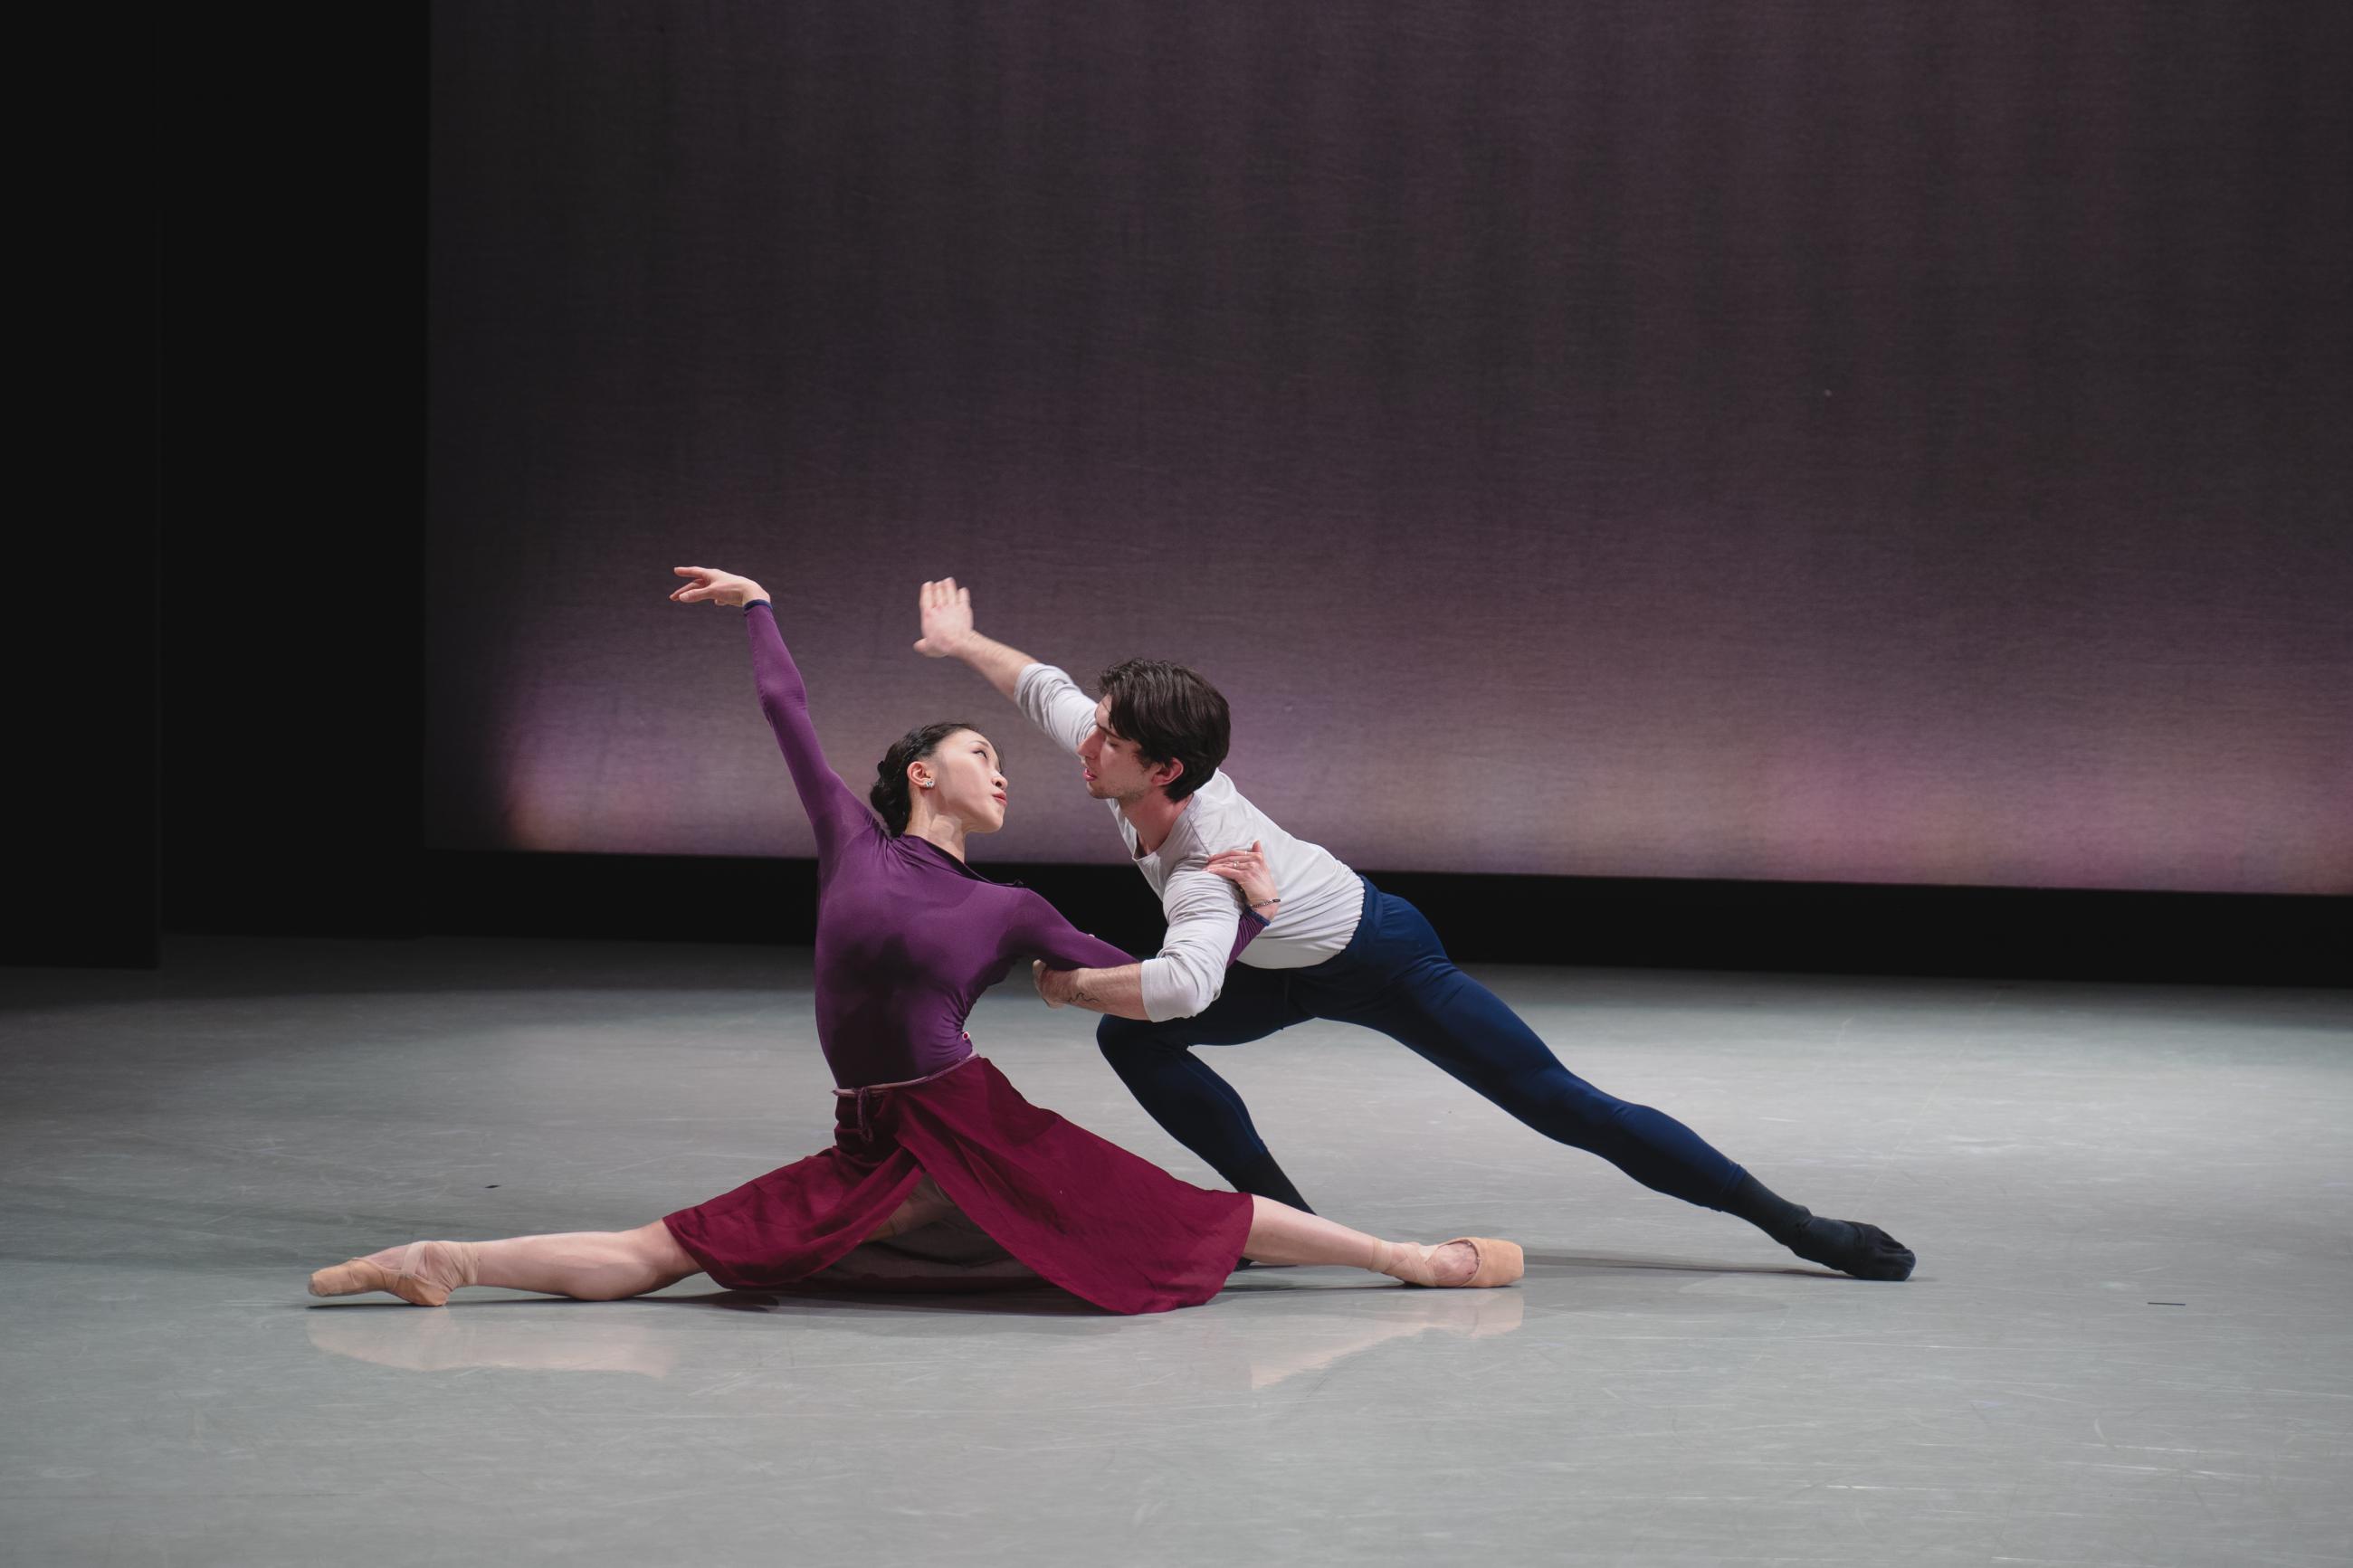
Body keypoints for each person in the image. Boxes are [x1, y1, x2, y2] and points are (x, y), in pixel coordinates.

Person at [308, 567, 1522, 1316]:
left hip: (974, 1121)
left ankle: (1416, 1259)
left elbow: (1164, 984)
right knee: (672, 1248)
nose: (1008, 767)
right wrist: (759, 606)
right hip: (875, 1136)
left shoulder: (1010, 909)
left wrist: (1243, 909)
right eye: (979, 753)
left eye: (1002, 755)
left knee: (1188, 1216)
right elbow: (787, 711)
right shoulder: (851, 841)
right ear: (921, 774)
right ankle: (444, 1258)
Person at [912, 577, 1915, 1282]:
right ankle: (1286, 1222)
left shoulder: (1212, 861)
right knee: (1131, 1041)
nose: (1084, 743)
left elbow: (1182, 985)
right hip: (1278, 962)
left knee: (1563, 1104)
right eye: (1096, 725)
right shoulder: (1124, 757)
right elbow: (1039, 684)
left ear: (1164, 769)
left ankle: (1798, 1226)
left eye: (1107, 736)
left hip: (1380, 956)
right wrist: (964, 642)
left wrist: (1069, 984)